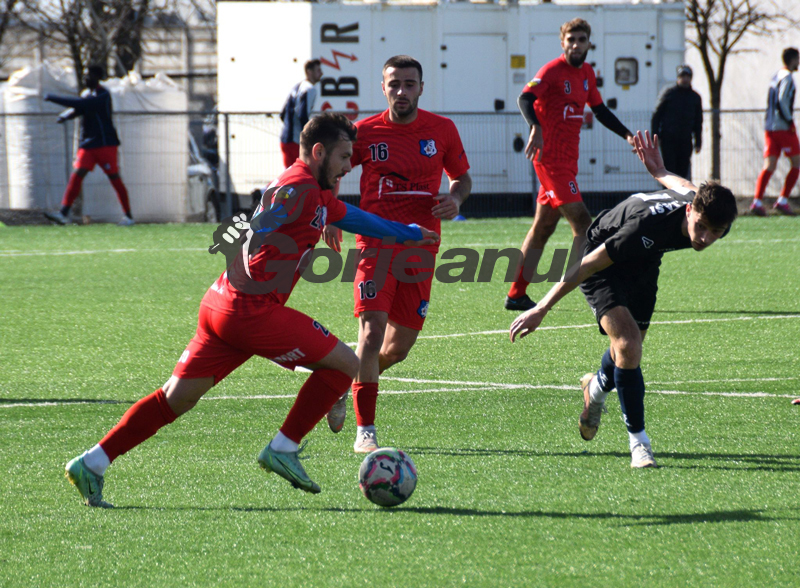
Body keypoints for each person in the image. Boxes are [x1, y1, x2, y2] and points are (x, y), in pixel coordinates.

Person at [63, 112, 439, 507]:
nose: (348, 166)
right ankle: (283, 447)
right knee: (346, 364)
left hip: (221, 304)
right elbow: (270, 217)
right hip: (251, 310)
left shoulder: (312, 188)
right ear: (318, 152)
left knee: (175, 398)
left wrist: (407, 233)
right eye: (344, 157)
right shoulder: (298, 187)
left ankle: (93, 462)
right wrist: (264, 235)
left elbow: (352, 216)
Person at [510, 130, 737, 468]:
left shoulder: (708, 210)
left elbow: (683, 184)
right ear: (690, 212)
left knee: (627, 352)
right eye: (701, 226)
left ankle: (595, 389)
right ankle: (639, 444)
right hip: (601, 260)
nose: (705, 238)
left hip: (644, 262)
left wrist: (659, 171)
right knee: (628, 344)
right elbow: (588, 264)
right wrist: (542, 308)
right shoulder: (646, 226)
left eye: (715, 232)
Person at [323, 55, 472, 453]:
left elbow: (462, 178)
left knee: (397, 348)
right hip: (375, 245)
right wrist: (332, 214)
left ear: (421, 88)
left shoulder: (442, 130)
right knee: (371, 333)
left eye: (409, 84)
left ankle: (341, 383)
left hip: (422, 247)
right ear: (383, 87)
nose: (401, 91)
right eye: (394, 84)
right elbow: (332, 171)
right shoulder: (364, 132)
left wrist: (456, 199)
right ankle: (366, 431)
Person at [506, 18, 636, 312]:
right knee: (583, 224)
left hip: (568, 162)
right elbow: (525, 98)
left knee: (543, 228)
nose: (576, 45)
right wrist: (535, 127)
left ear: (589, 43)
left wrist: (627, 135)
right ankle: (589, 288)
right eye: (571, 40)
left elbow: (600, 110)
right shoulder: (551, 71)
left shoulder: (587, 73)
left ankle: (516, 294)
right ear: (562, 42)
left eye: (581, 39)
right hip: (550, 162)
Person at [43, 65, 134, 226]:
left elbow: (81, 104)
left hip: (105, 144)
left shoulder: (103, 95)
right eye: (85, 75)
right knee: (76, 175)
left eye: (89, 75)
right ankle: (63, 213)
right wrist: (67, 116)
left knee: (114, 179)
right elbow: (79, 109)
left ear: (97, 77)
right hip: (88, 145)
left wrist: (52, 98)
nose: (86, 78)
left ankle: (128, 216)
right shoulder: (87, 94)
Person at [751, 47, 800, 217]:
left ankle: (757, 201)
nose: (799, 62)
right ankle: (783, 200)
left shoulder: (776, 76)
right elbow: (781, 100)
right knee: (797, 163)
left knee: (769, 165)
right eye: (798, 59)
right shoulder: (787, 77)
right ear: (792, 60)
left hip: (770, 128)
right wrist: (789, 120)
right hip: (783, 128)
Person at [651, 64, 703, 180]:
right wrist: (655, 136)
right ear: (678, 77)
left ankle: (680, 191)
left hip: (685, 140)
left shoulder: (695, 98)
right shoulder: (668, 93)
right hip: (668, 139)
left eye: (687, 76)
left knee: (683, 171)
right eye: (682, 76)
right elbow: (656, 115)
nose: (685, 79)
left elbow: (698, 121)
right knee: (669, 170)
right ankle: (669, 191)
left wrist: (698, 141)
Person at [279, 59, 323, 169]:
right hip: (296, 142)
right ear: (309, 72)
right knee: (300, 174)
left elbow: (282, 114)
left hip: (285, 139)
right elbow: (302, 115)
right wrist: (308, 136)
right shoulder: (310, 89)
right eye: (318, 70)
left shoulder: (297, 86)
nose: (321, 73)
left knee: (289, 173)